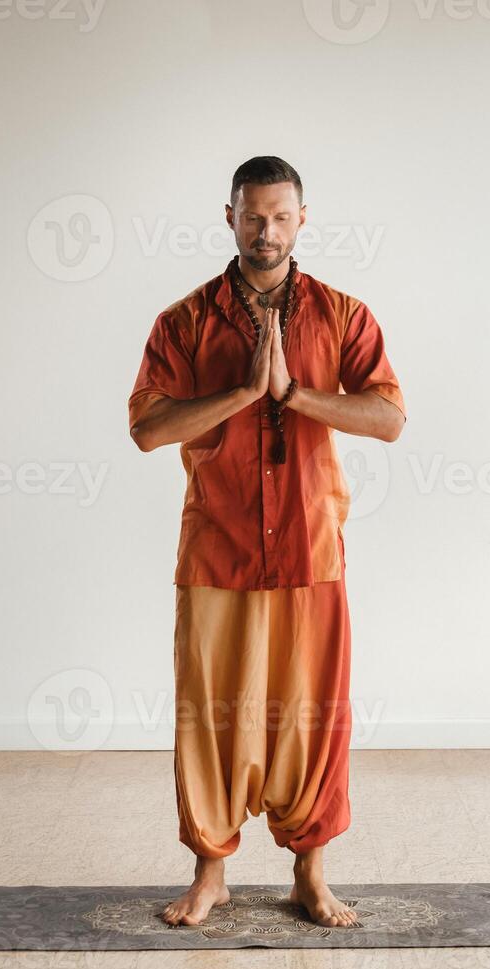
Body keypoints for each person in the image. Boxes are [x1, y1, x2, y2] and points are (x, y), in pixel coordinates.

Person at [128, 156, 406, 928]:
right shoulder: (183, 321)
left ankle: (310, 876)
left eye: (281, 217)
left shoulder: (343, 314)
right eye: (253, 217)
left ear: (303, 219)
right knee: (212, 716)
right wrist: (244, 394)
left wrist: (295, 394)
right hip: (217, 549)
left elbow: (388, 416)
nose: (267, 231)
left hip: (312, 549)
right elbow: (148, 428)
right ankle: (210, 873)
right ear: (229, 218)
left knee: (314, 716)